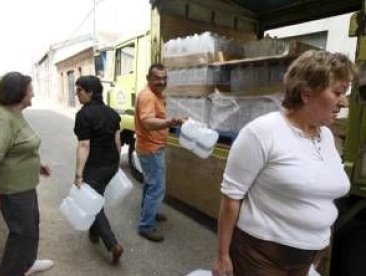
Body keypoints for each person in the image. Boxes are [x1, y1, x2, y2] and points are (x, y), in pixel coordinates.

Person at [212, 50, 357, 276]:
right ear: (306, 94)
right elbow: (231, 197)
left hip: (308, 255)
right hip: (260, 255)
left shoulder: (326, 136)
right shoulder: (262, 132)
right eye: (338, 92)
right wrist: (222, 257)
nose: (345, 103)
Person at [0, 72, 54, 276]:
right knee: (21, 233)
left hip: (26, 185)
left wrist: (38, 165)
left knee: (32, 225)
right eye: (30, 90)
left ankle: (28, 263)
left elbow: (20, 145)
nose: (33, 94)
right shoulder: (2, 119)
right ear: (18, 93)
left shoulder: (14, 113)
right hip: (13, 190)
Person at [73, 75, 123, 264]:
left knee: (91, 203)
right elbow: (117, 140)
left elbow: (84, 145)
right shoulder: (112, 113)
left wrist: (78, 174)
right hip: (110, 164)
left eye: (79, 90)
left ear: (90, 92)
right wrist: (116, 164)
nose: (77, 94)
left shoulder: (84, 115)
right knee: (96, 196)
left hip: (94, 167)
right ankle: (94, 233)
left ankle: (112, 244)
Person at [135, 63, 183, 242]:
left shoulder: (154, 94)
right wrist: (170, 122)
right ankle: (146, 226)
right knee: (157, 188)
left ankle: (149, 213)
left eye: (164, 78)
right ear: (149, 79)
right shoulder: (148, 96)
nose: (161, 82)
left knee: (150, 185)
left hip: (151, 147)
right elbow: (147, 122)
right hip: (151, 149)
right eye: (157, 78)